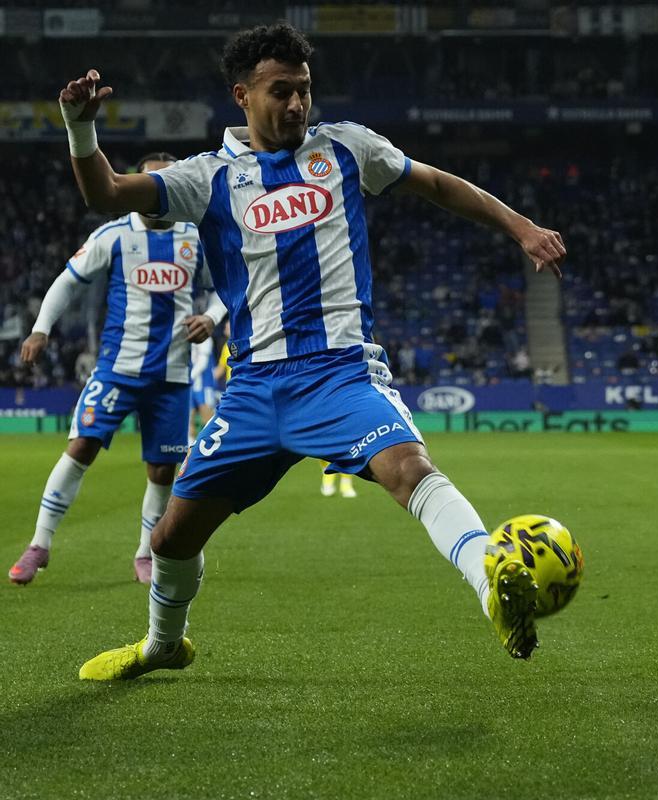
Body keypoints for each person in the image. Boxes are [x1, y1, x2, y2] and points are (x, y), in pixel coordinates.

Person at [60, 22, 566, 680]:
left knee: (409, 467)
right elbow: (106, 192)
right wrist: (79, 127)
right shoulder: (207, 177)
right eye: (281, 92)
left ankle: (491, 588)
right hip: (253, 388)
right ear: (243, 96)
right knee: (170, 539)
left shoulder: (349, 149)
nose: (297, 104)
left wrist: (520, 226)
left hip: (340, 374)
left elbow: (439, 184)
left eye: (304, 90)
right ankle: (163, 644)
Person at [9, 152, 226, 586]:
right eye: (151, 185)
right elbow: (69, 279)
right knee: (82, 445)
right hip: (117, 369)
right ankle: (39, 544)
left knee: (162, 470)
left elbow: (226, 286)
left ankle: (145, 554)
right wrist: (40, 329)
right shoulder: (114, 235)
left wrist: (212, 317)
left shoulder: (194, 239)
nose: (158, 195)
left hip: (172, 375)